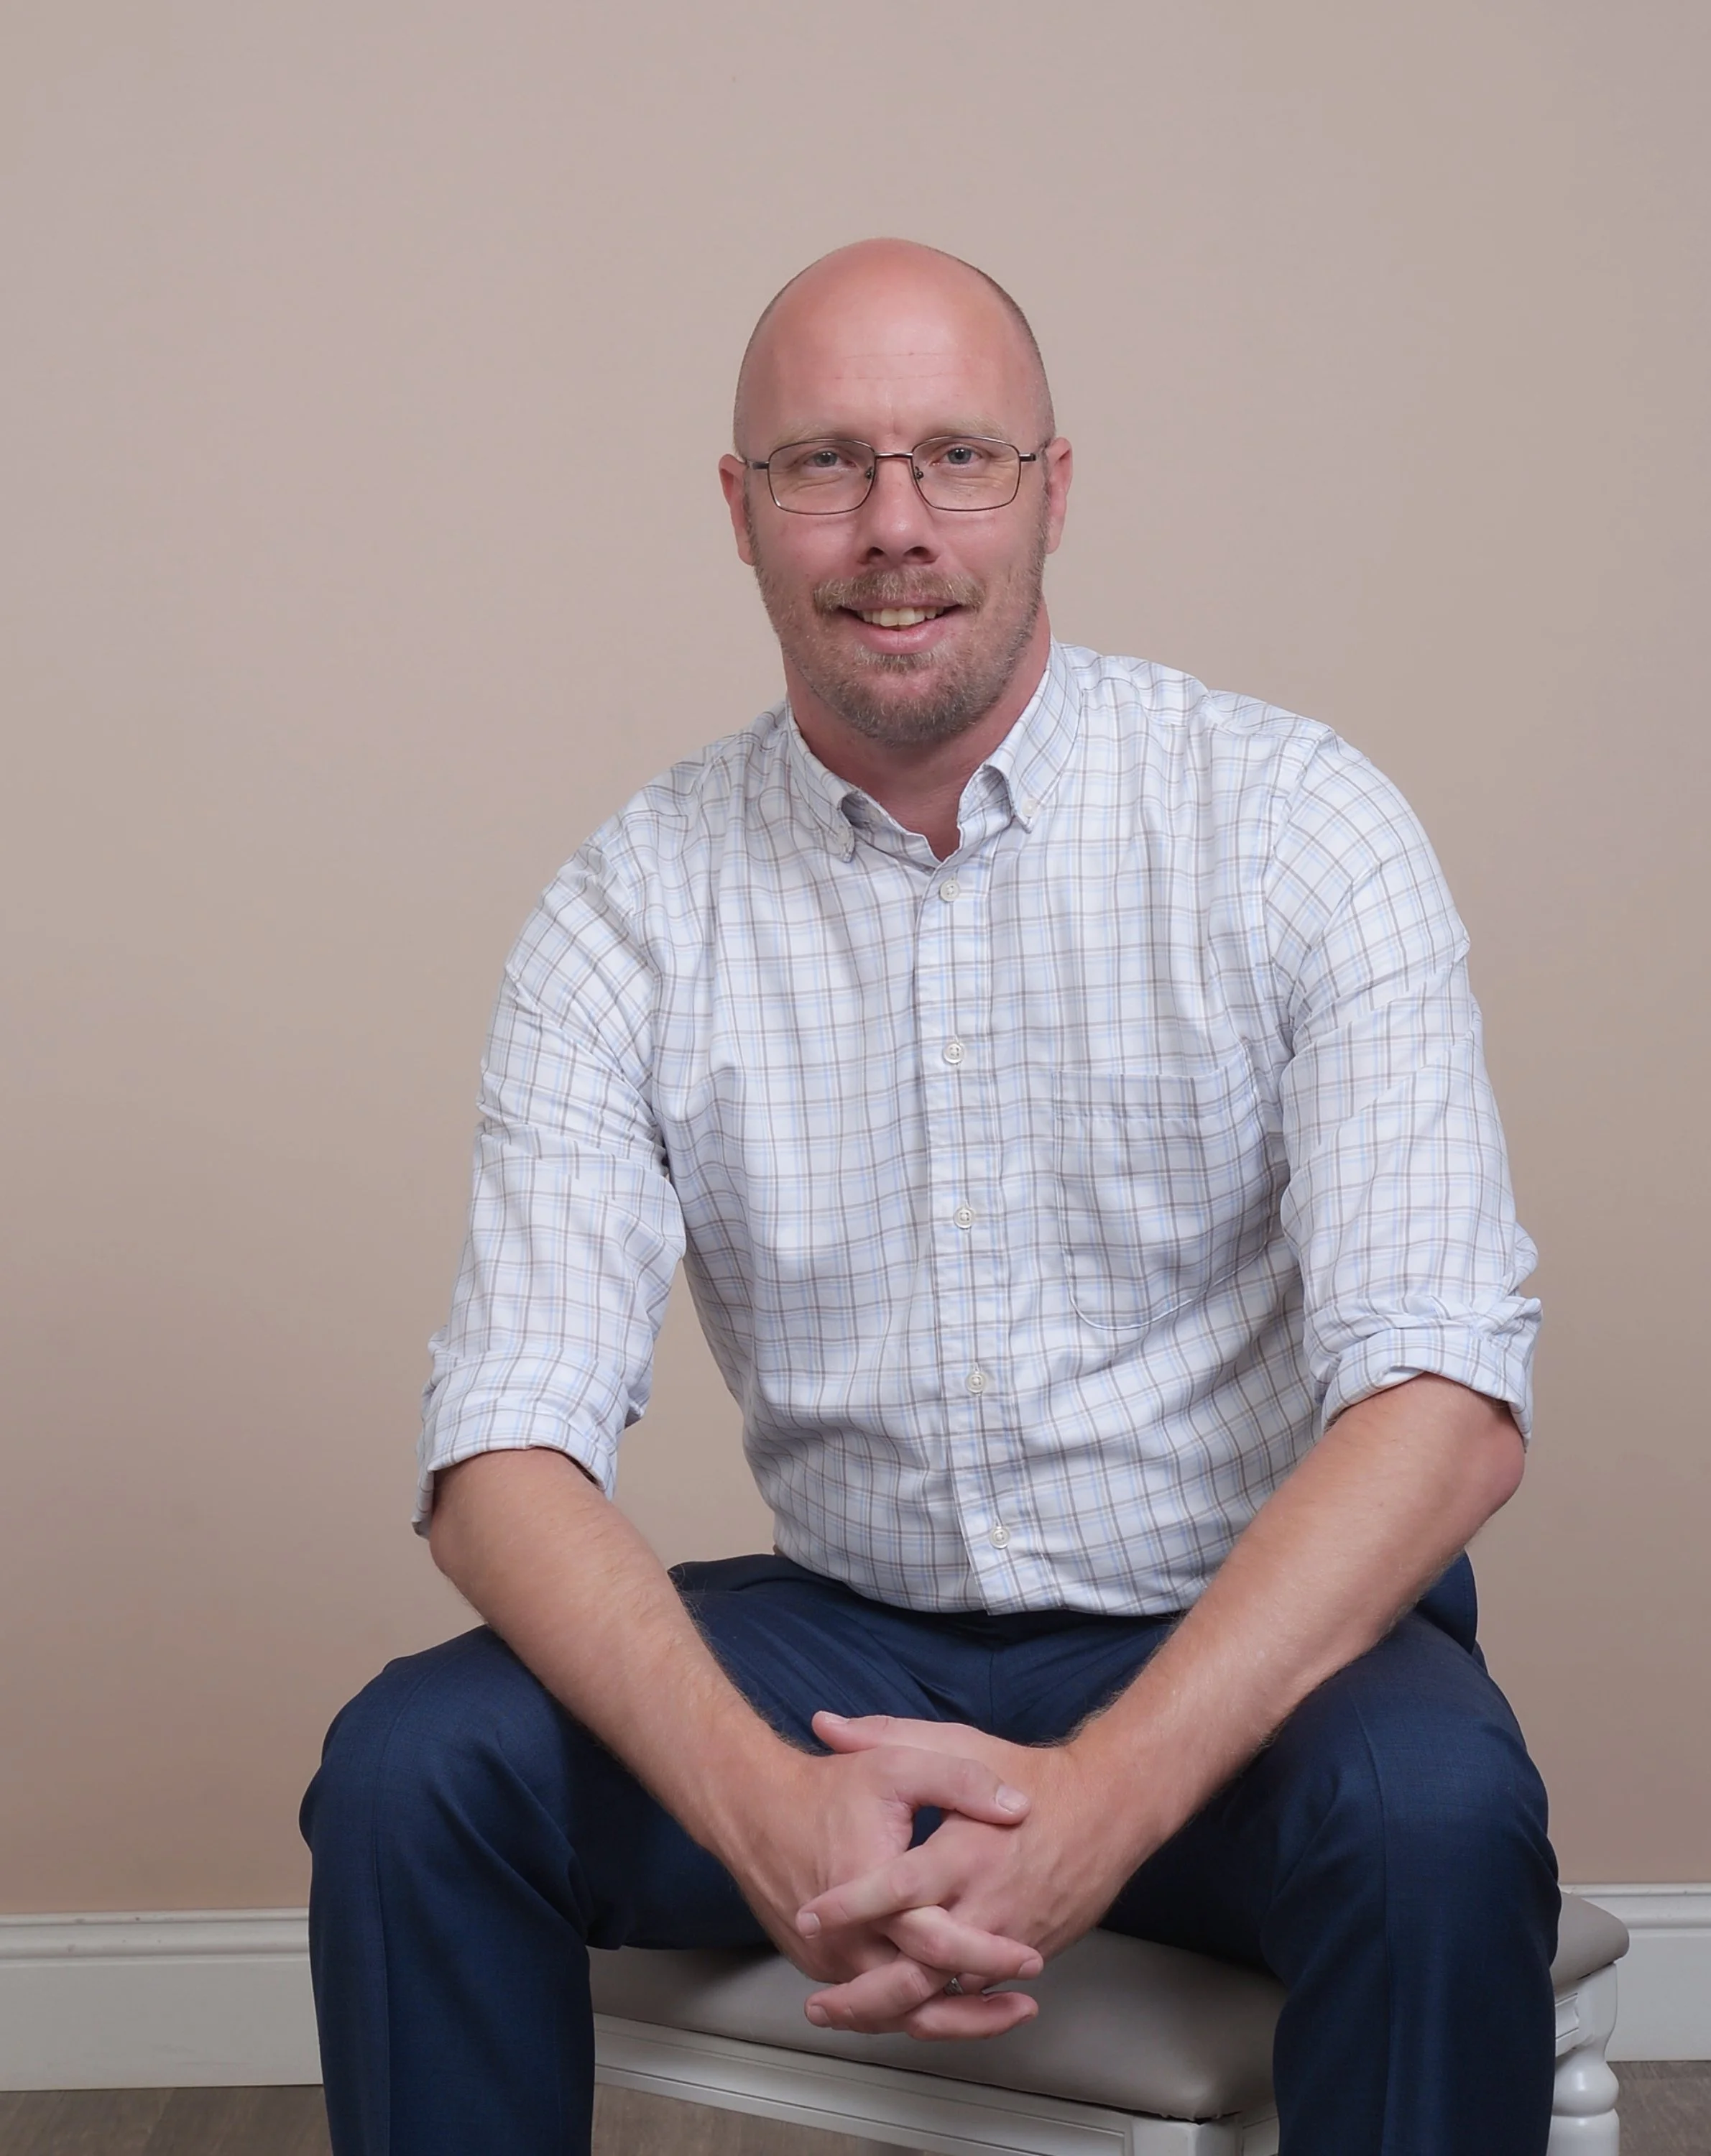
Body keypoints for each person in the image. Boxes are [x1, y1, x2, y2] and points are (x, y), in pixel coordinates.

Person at [302, 238, 1561, 2156]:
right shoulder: (628, 912)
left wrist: (1106, 1799)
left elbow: (1445, 1411)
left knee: (1435, 1818)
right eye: (825, 466)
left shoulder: (1298, 827)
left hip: (1242, 1646)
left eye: (957, 456)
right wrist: (757, 1805)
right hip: (846, 1651)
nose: (898, 525)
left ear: (1054, 489)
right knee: (414, 1769)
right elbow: (502, 1455)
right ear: (741, 514)